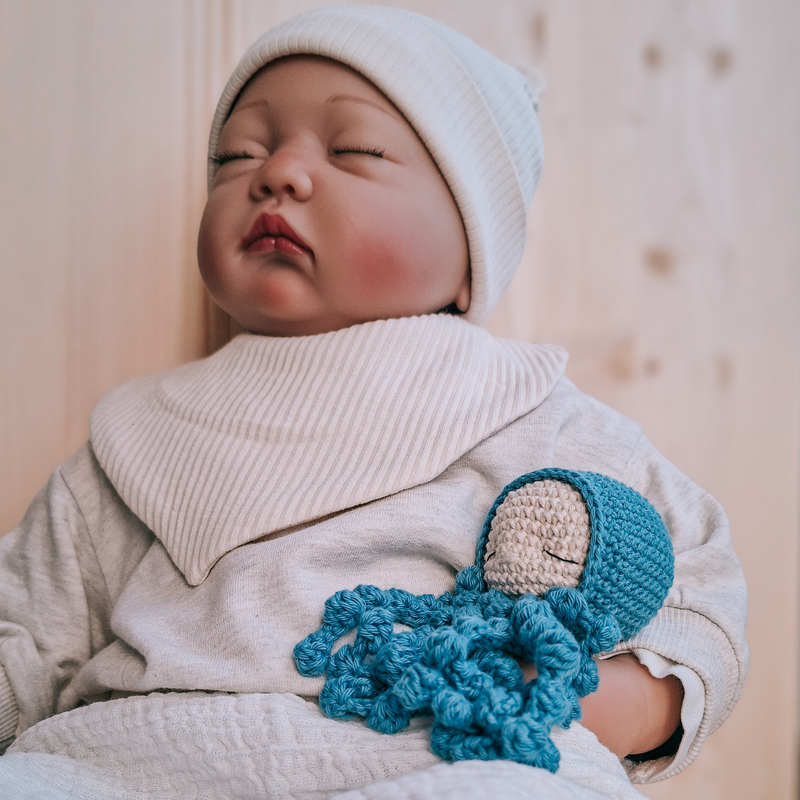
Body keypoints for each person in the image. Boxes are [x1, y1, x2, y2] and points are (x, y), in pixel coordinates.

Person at [0, 6, 747, 800]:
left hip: (431, 752)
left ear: (473, 248)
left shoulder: (532, 414)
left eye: (352, 149)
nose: (278, 173)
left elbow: (695, 595)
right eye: (236, 155)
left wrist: (608, 704)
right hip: (138, 757)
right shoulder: (134, 436)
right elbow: (26, 634)